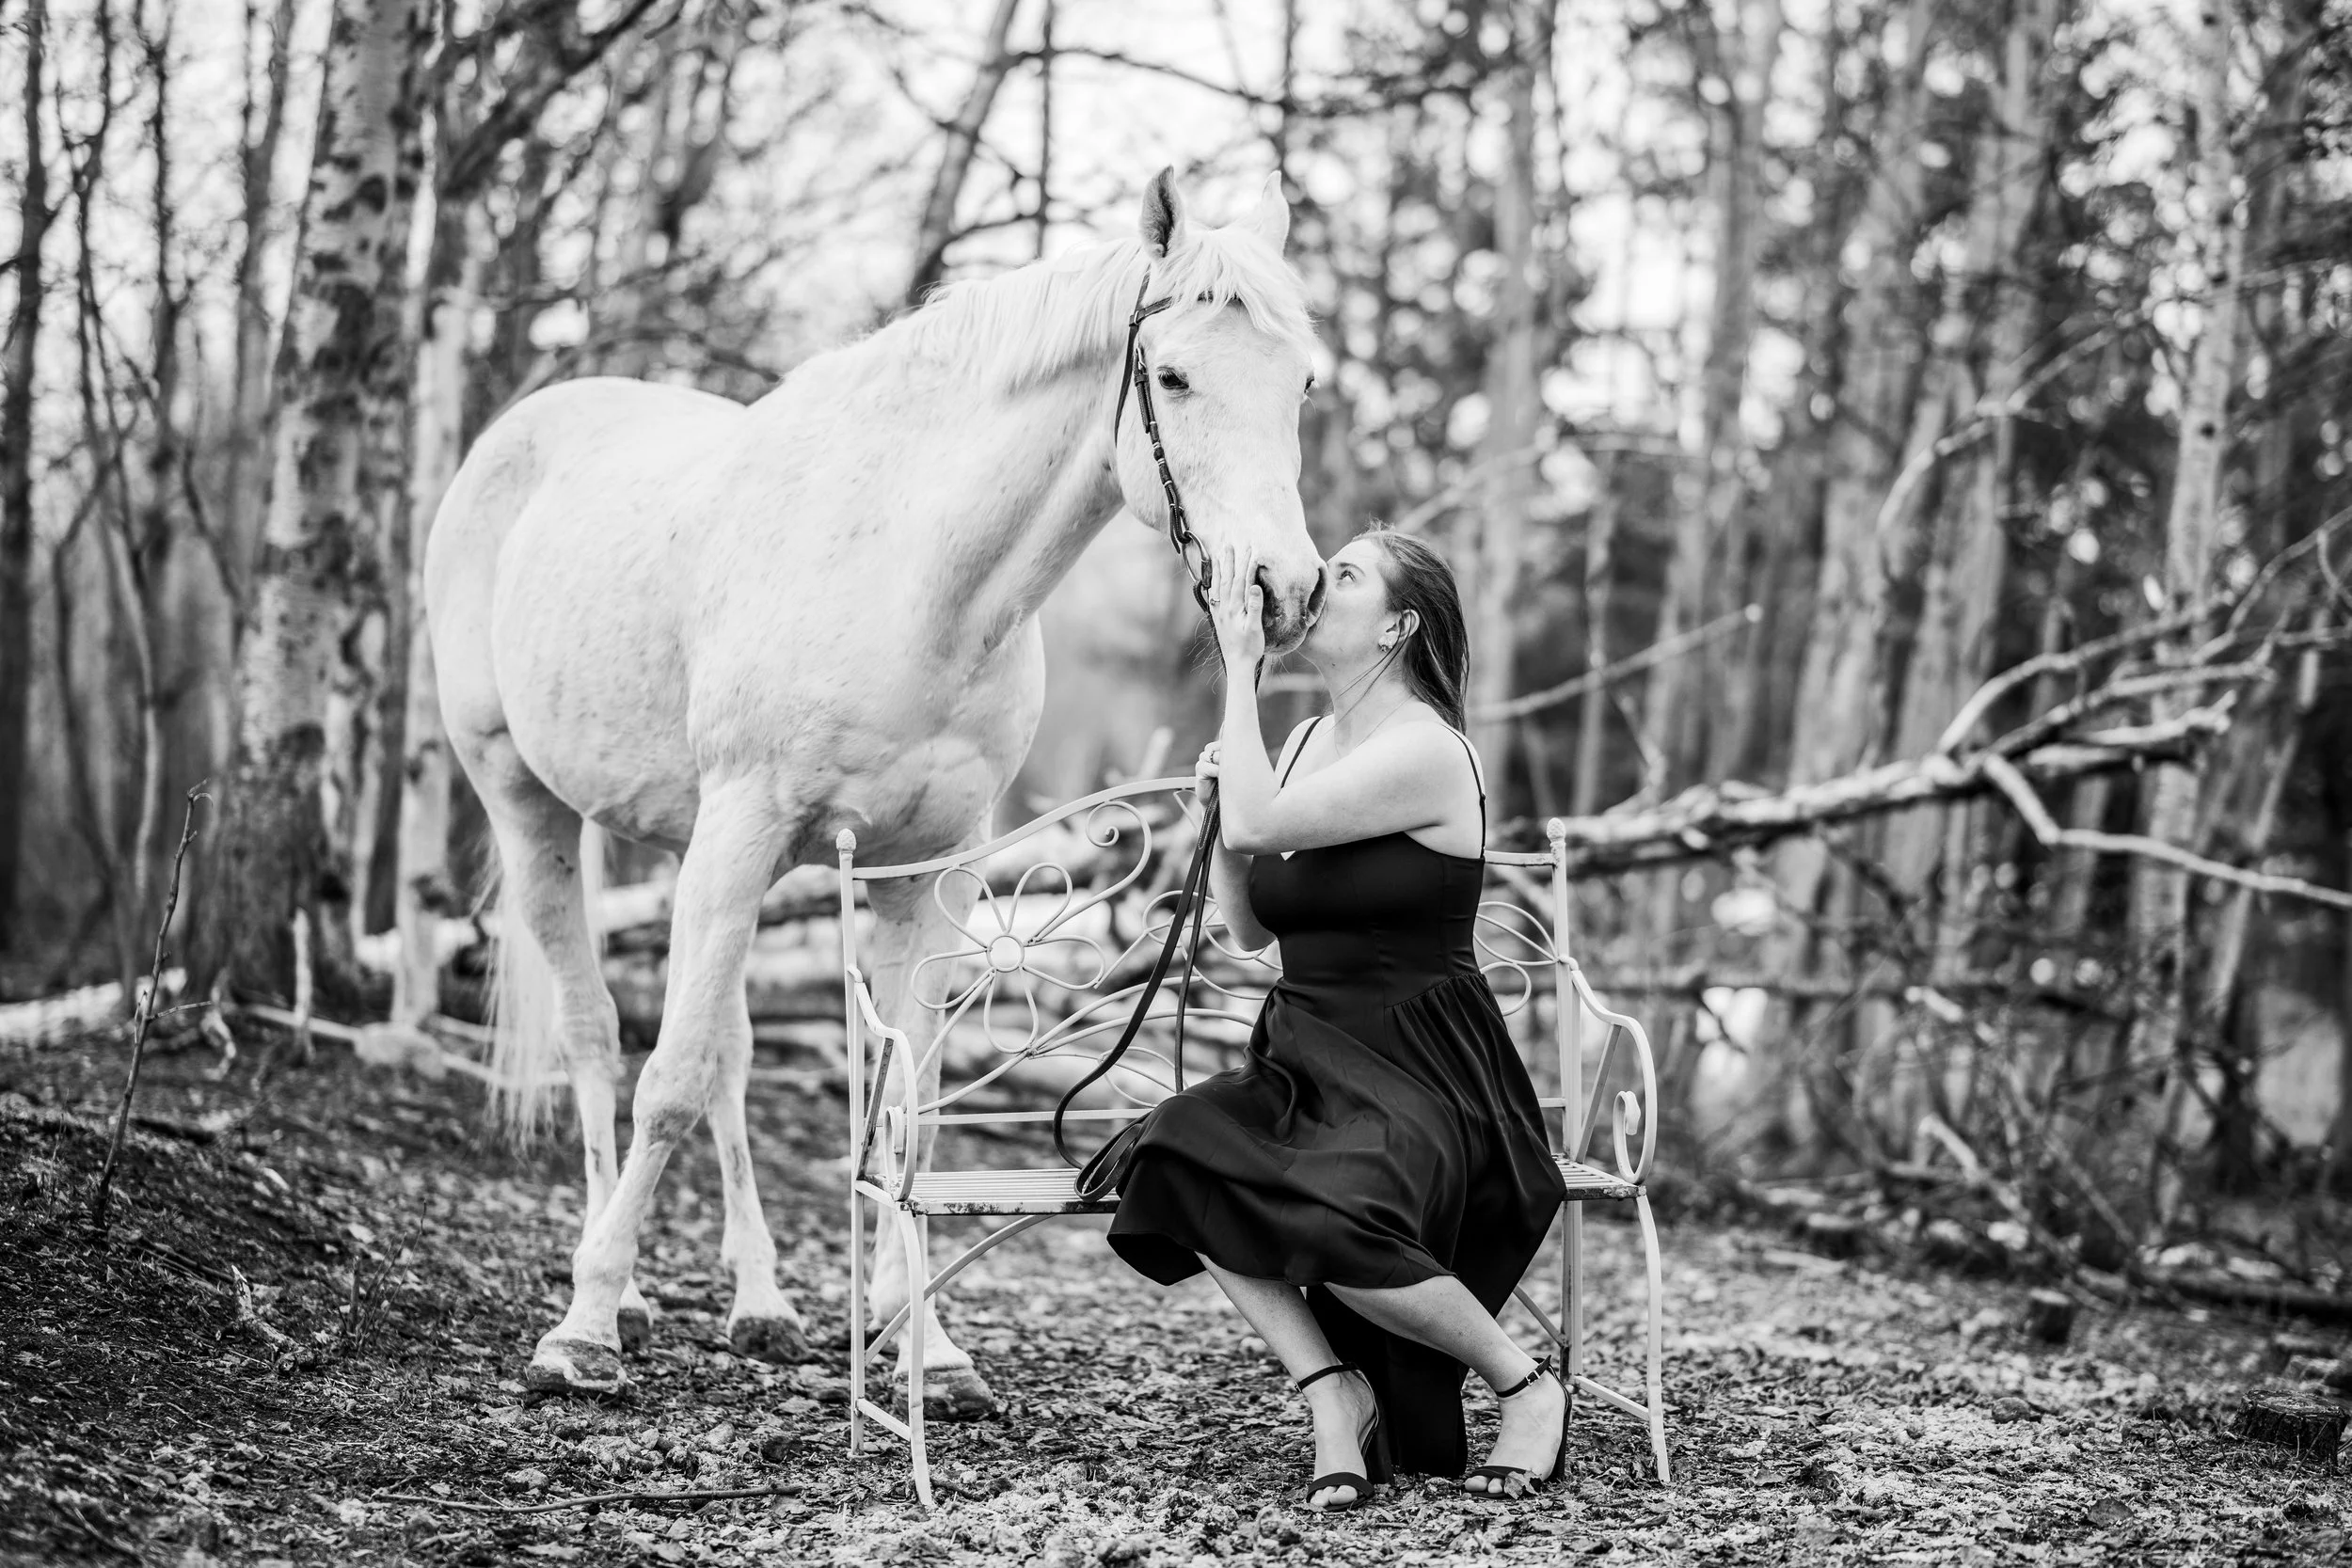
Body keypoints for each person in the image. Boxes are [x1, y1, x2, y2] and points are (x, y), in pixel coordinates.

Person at [1103, 526, 1569, 1510]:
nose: (1319, 580)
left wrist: (1240, 664)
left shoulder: (1428, 750)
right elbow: (1249, 924)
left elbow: (1266, 820)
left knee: (1336, 1208)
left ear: (1398, 627)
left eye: (1346, 574)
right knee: (1175, 1148)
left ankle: (1526, 1385)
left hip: (1424, 1071)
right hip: (1308, 1055)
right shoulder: (1309, 740)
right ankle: (1331, 1390)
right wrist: (1215, 824)